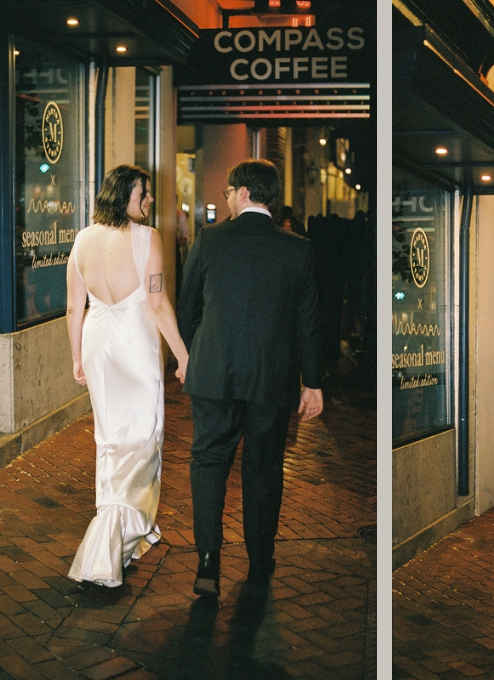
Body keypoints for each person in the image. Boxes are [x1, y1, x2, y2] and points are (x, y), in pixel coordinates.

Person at [177, 159, 323, 597]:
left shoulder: (209, 241)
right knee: (263, 470)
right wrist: (312, 382)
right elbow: (309, 323)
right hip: (270, 380)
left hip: (213, 375)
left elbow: (188, 309)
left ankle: (207, 563)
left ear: (242, 193)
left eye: (227, 192)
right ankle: (260, 560)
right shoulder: (298, 249)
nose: (225, 199)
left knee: (208, 463)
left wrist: (196, 354)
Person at [64, 165, 190, 588]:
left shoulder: (82, 239)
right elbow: (156, 304)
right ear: (125, 196)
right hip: (135, 347)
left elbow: (72, 308)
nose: (150, 200)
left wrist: (76, 358)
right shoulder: (147, 238)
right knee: (142, 440)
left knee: (111, 441)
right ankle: (110, 546)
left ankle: (123, 539)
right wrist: (182, 355)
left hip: (98, 346)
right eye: (144, 193)